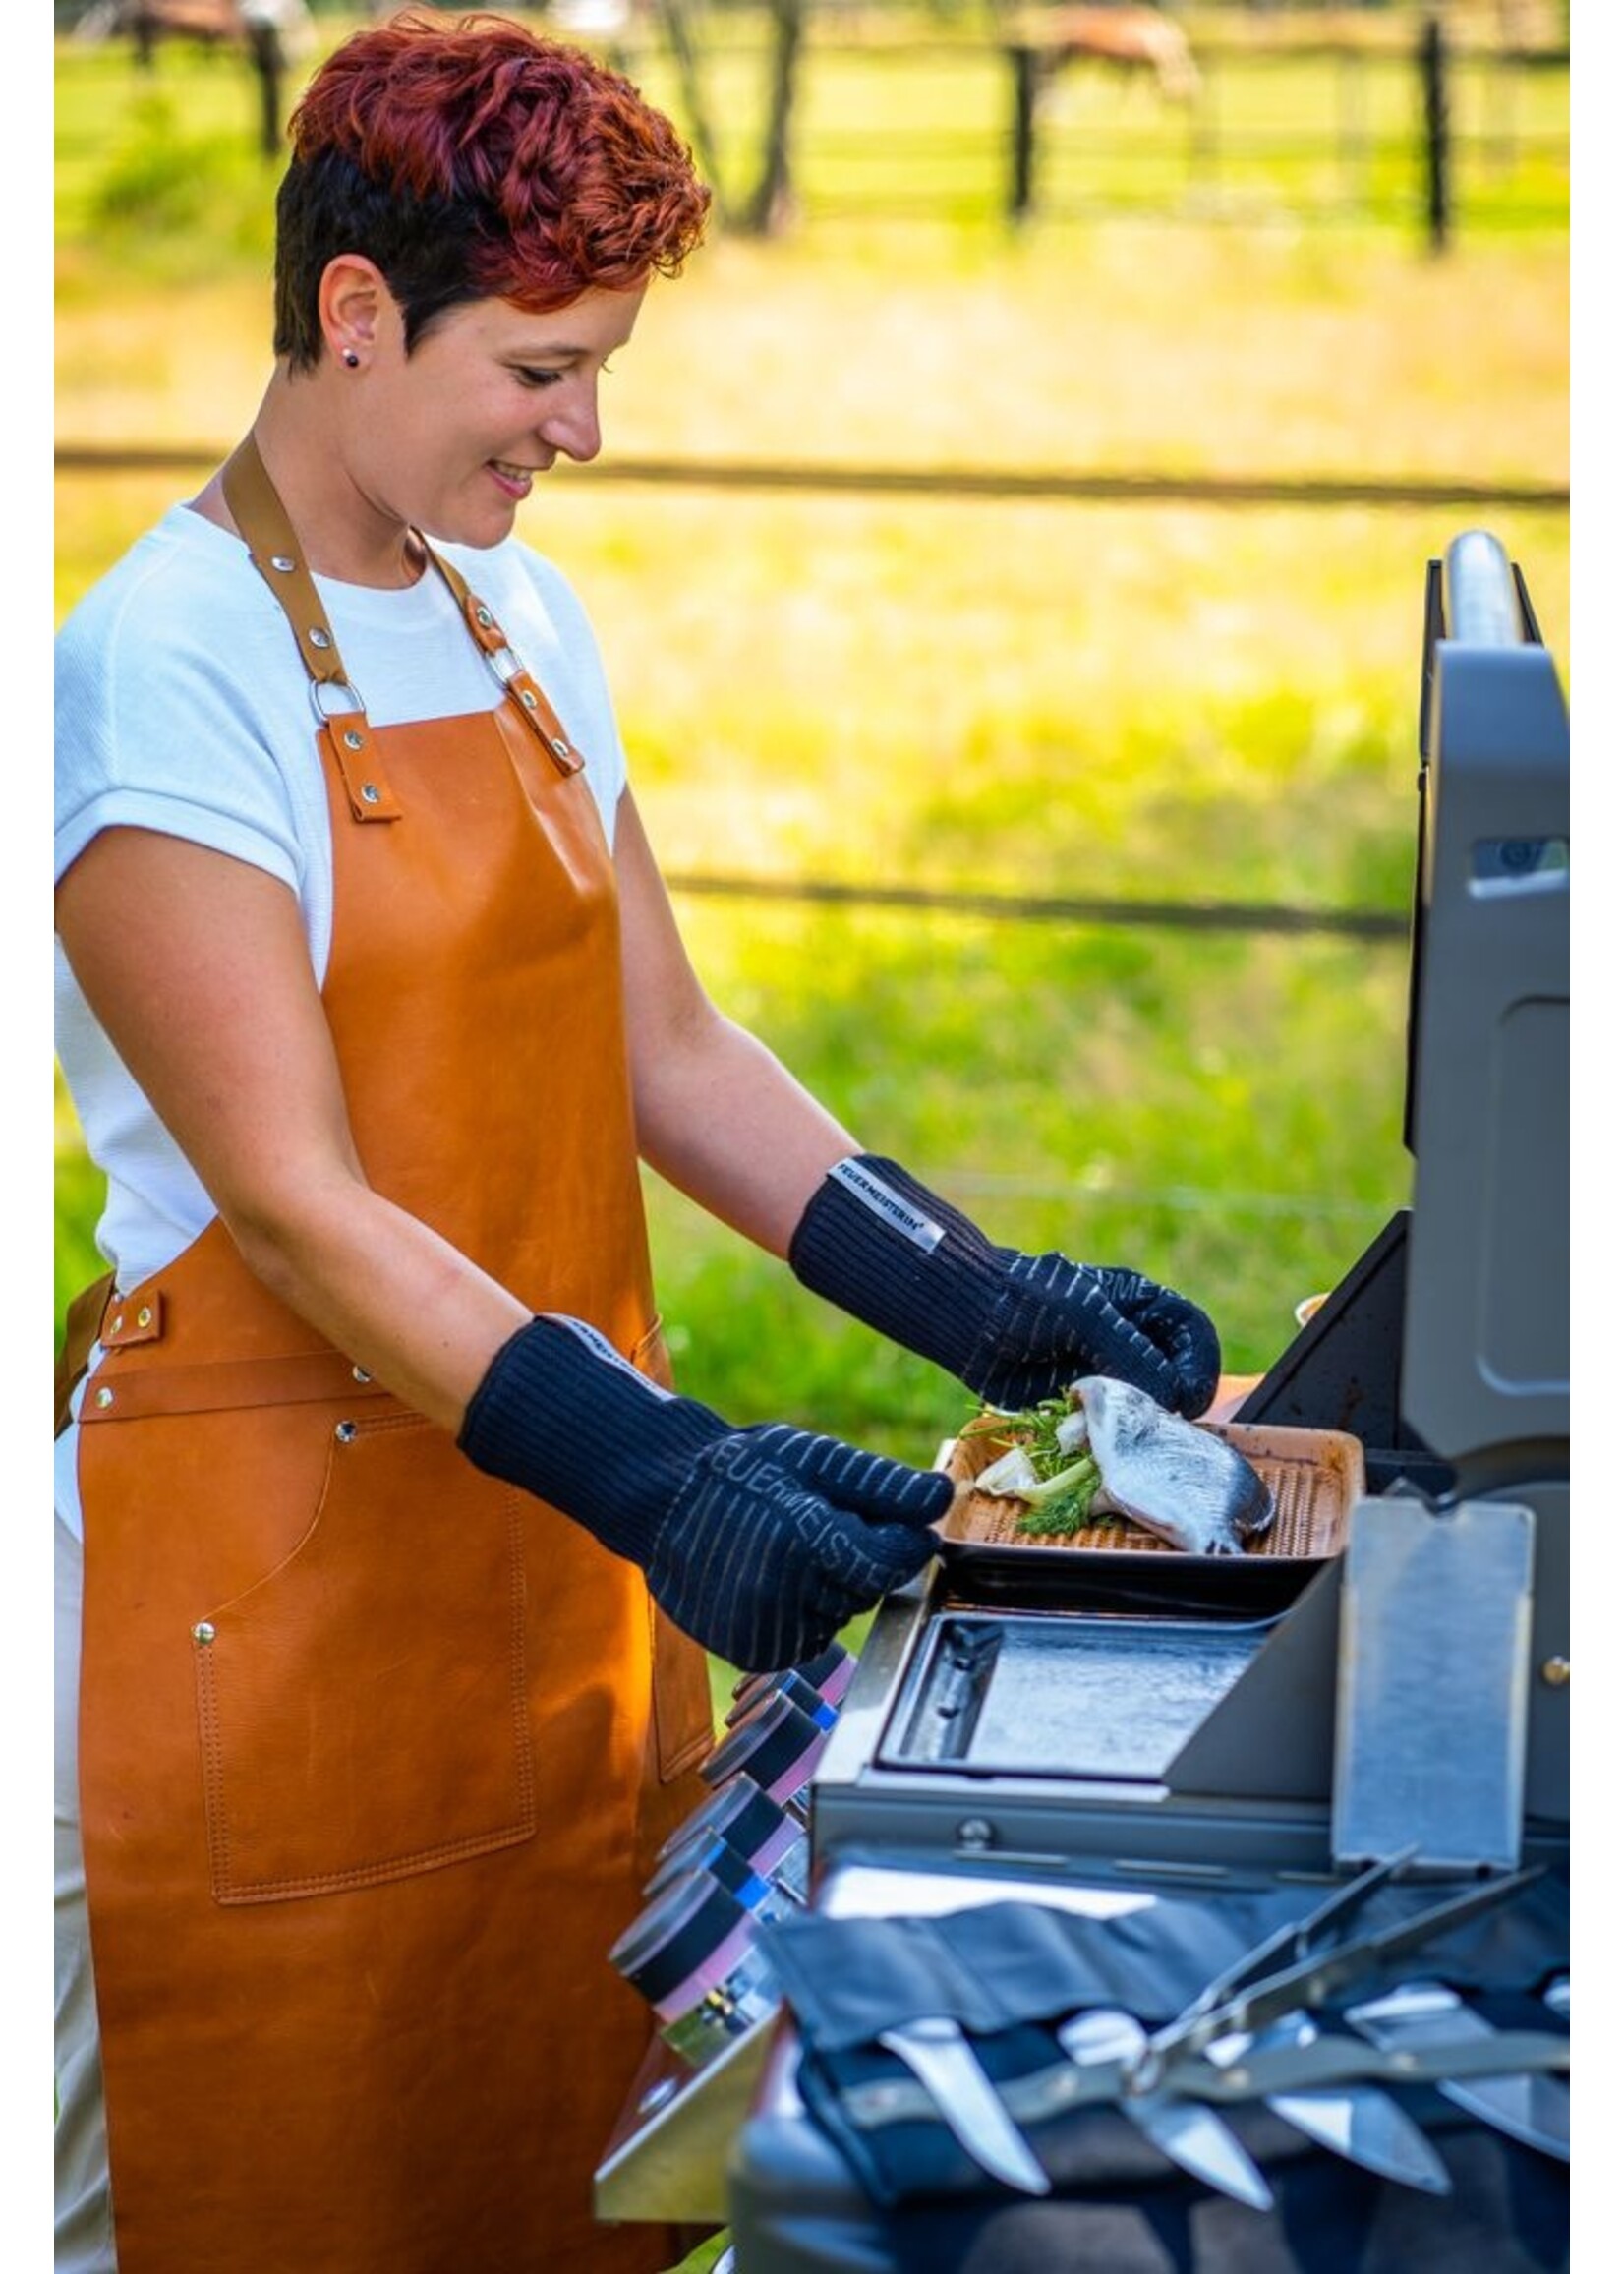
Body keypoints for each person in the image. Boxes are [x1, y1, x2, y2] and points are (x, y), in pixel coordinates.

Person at [53, 13, 1220, 2270]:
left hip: (546, 1568)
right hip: (255, 1606)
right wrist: (673, 1472)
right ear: (357, 313)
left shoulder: (516, 614)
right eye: (542, 370)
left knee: (546, 2182)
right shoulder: (158, 665)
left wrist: (975, 1296)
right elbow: (292, 1198)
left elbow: (664, 1044)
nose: (584, 429)